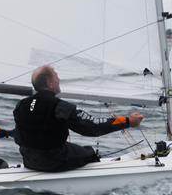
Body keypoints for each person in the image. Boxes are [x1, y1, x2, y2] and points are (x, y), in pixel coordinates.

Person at [13, 65, 144, 172]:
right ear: (51, 83)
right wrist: (128, 121)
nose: (59, 79)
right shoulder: (59, 106)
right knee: (90, 153)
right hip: (54, 162)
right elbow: (93, 127)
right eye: (57, 76)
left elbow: (19, 135)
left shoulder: (21, 105)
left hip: (29, 161)